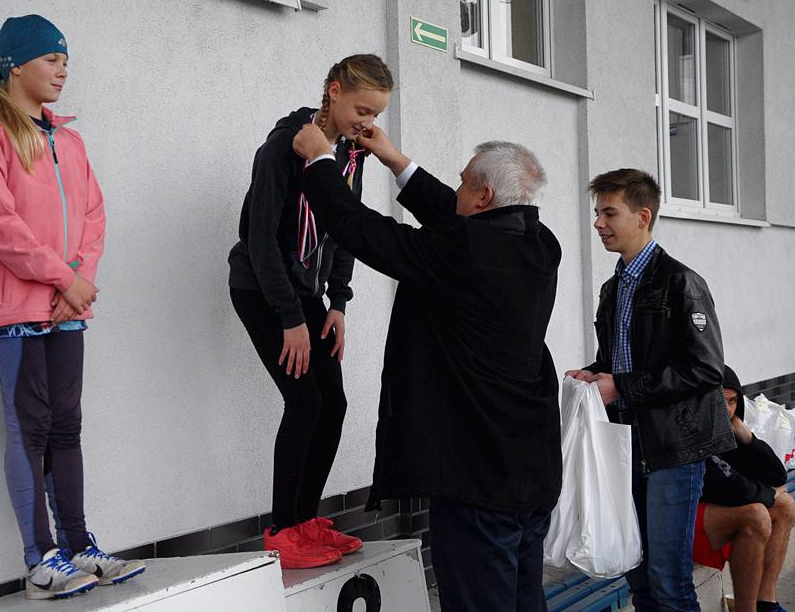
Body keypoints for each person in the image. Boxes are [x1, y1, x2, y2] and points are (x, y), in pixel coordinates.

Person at [292, 125, 562, 611]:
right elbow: (457, 216)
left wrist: (319, 162)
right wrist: (397, 162)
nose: (454, 191)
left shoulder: (463, 254)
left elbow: (363, 231)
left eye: (462, 183)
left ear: (482, 196)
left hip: (477, 481)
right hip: (530, 473)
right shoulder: (540, 243)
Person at [0, 15, 143, 600]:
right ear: (15, 64)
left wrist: (77, 283)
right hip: (15, 308)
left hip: (67, 307)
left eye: (66, 60)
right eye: (51, 59)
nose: (63, 69)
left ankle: (80, 543)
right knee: (29, 427)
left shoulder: (71, 140)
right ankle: (40, 559)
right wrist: (65, 278)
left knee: (67, 423)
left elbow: (93, 216)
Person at [227, 54, 393, 569]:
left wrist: (337, 302)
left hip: (307, 292)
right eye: (361, 109)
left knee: (334, 404)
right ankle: (281, 531)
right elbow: (259, 241)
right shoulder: (284, 146)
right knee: (303, 401)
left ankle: (303, 520)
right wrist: (289, 318)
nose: (367, 123)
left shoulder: (348, 154)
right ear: (334, 91)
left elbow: (346, 227)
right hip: (262, 287)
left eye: (376, 115)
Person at [566, 168, 735, 612]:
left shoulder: (681, 283)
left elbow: (705, 370)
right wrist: (591, 376)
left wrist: (619, 386)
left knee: (668, 582)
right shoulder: (612, 288)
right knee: (637, 574)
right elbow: (620, 362)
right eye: (597, 213)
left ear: (642, 216)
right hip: (625, 446)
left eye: (609, 213)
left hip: (674, 449)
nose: (599, 224)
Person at [693, 366, 794, 612]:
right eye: (720, 401)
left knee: (786, 505)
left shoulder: (729, 429)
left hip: (715, 510)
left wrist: (748, 437)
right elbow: (730, 487)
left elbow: (777, 474)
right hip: (682, 519)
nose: (727, 409)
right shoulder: (695, 430)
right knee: (756, 514)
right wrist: (770, 493)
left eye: (733, 401)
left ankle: (766, 602)